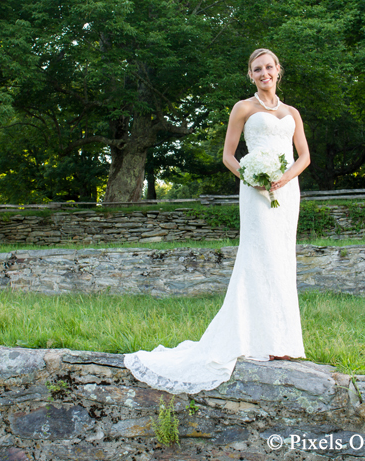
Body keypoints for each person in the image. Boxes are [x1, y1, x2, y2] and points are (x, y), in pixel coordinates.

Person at [124, 48, 311, 394]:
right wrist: (251, 176)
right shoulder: (243, 108)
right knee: (257, 257)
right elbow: (228, 155)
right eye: (257, 69)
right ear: (251, 75)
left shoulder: (292, 113)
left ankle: (281, 341)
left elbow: (305, 156)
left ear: (278, 70)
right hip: (254, 190)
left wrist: (284, 179)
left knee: (282, 259)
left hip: (287, 192)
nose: (264, 73)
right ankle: (252, 339)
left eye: (269, 67)